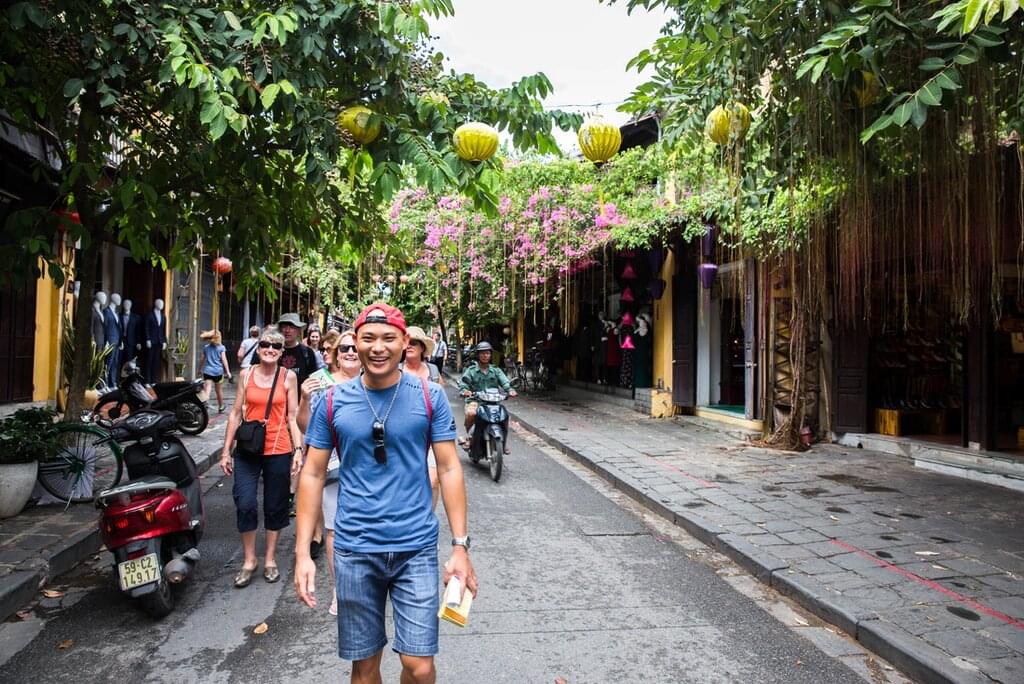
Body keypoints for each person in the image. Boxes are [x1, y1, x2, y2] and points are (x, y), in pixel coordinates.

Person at [294, 302, 477, 684]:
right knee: (364, 669)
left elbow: (449, 468)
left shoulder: (430, 396)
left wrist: (460, 546)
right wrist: (302, 554)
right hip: (356, 549)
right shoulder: (332, 401)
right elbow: (312, 473)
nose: (378, 348)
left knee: (419, 666)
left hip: (415, 548)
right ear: (355, 343)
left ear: (405, 342)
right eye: (368, 339)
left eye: (388, 338)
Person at [219, 328, 303, 588]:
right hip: (248, 448)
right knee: (245, 502)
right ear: (258, 348)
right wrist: (225, 451)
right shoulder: (246, 375)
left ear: (282, 351)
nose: (270, 349)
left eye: (276, 346)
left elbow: (292, 417)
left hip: (279, 448)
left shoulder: (288, 377)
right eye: (266, 344)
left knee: (275, 505)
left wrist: (298, 450)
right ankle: (249, 560)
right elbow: (235, 413)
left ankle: (269, 559)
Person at [296, 328, 361, 616]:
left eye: (355, 348)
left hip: (367, 468)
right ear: (335, 355)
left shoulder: (374, 381)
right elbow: (305, 426)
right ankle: (339, 587)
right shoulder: (321, 383)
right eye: (344, 348)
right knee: (334, 529)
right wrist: (303, 398)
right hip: (332, 466)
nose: (350, 353)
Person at [402, 326, 443, 510]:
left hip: (430, 433)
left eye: (414, 343)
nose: (410, 346)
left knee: (433, 481)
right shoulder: (395, 370)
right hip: (403, 435)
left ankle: (428, 516)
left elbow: (441, 399)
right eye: (407, 343)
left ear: (422, 348)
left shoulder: (432, 371)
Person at [458, 341, 516, 453]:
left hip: (492, 402)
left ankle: (503, 442)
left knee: (505, 416)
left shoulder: (495, 370)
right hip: (475, 401)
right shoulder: (471, 370)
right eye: (483, 353)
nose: (485, 356)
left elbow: (505, 382)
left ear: (490, 355)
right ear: (478, 355)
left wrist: (510, 390)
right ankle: (470, 438)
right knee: (471, 413)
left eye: (488, 353)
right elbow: (464, 384)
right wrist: (465, 391)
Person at [277, 313, 323, 387]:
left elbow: (313, 380)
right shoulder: (273, 350)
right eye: (284, 326)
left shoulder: (307, 353)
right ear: (280, 330)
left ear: (298, 331)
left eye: (291, 327)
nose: (287, 330)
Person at [201, 330, 232, 413]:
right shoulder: (221, 348)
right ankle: (221, 407)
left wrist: (199, 369)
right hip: (218, 372)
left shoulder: (206, 347)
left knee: (207, 389)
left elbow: (202, 359)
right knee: (218, 390)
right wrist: (228, 372)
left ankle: (204, 405)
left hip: (207, 371)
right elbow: (224, 360)